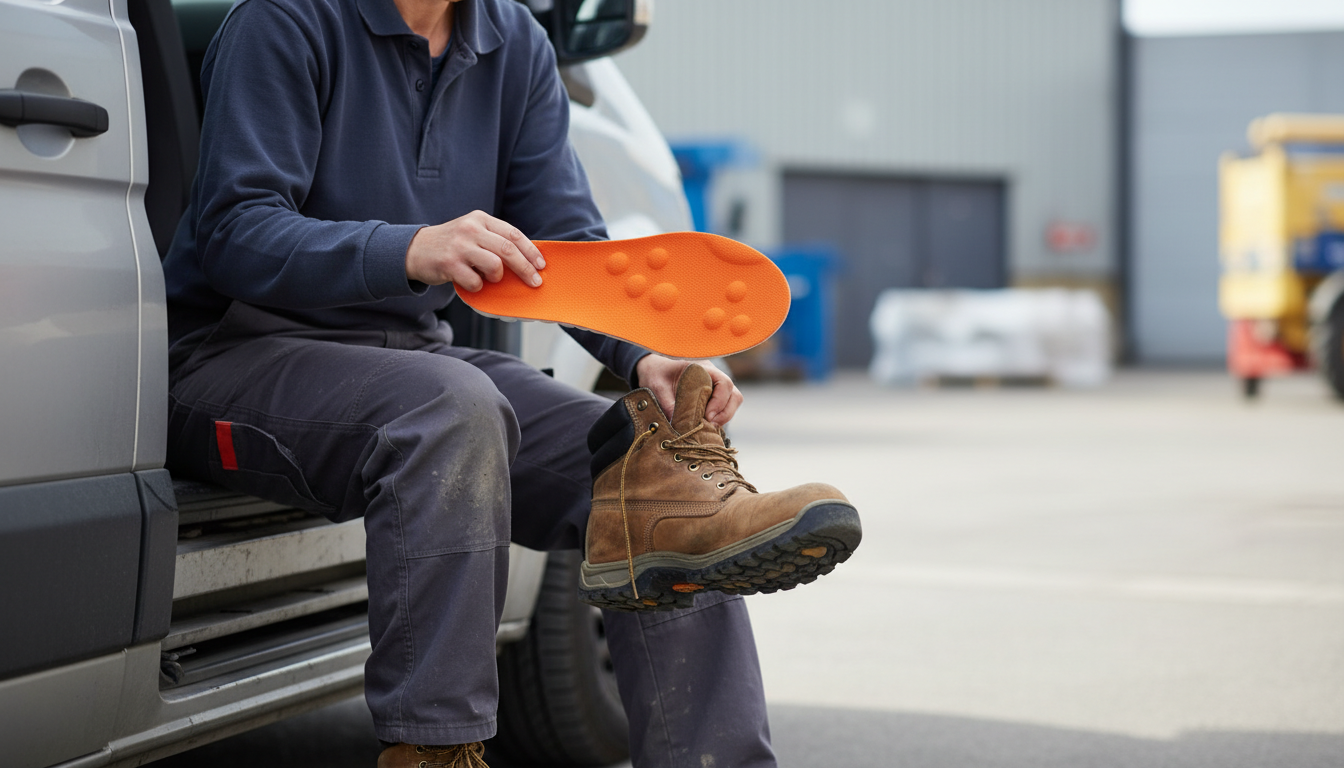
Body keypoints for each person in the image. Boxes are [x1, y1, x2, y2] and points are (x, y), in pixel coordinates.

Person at [161, 0, 857, 765]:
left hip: (412, 358)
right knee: (455, 410)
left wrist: (648, 354)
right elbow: (235, 233)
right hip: (239, 355)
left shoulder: (514, 40)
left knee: (652, 466)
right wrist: (410, 248)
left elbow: (567, 247)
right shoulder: (285, 20)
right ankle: (438, 752)